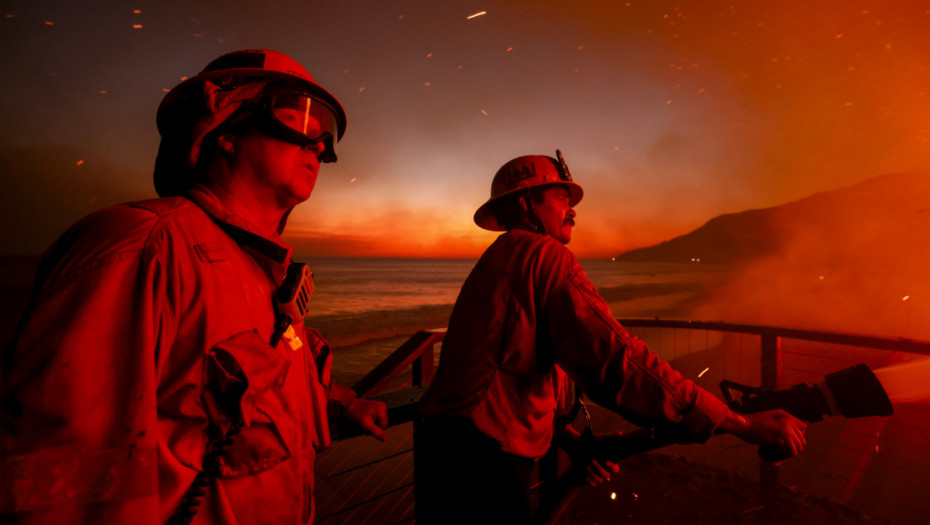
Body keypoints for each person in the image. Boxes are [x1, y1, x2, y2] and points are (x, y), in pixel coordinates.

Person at [0, 49, 388, 524]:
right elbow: (67, 476)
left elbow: (257, 379)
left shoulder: (255, 267)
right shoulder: (142, 245)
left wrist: (343, 404)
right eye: (299, 117)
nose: (318, 144)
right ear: (223, 130)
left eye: (324, 132)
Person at [415, 151, 808, 524]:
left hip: (444, 451)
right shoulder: (545, 255)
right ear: (525, 205)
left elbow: (505, 371)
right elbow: (614, 361)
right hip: (485, 463)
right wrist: (737, 423)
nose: (572, 211)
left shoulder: (499, 261)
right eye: (560, 197)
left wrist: (571, 441)